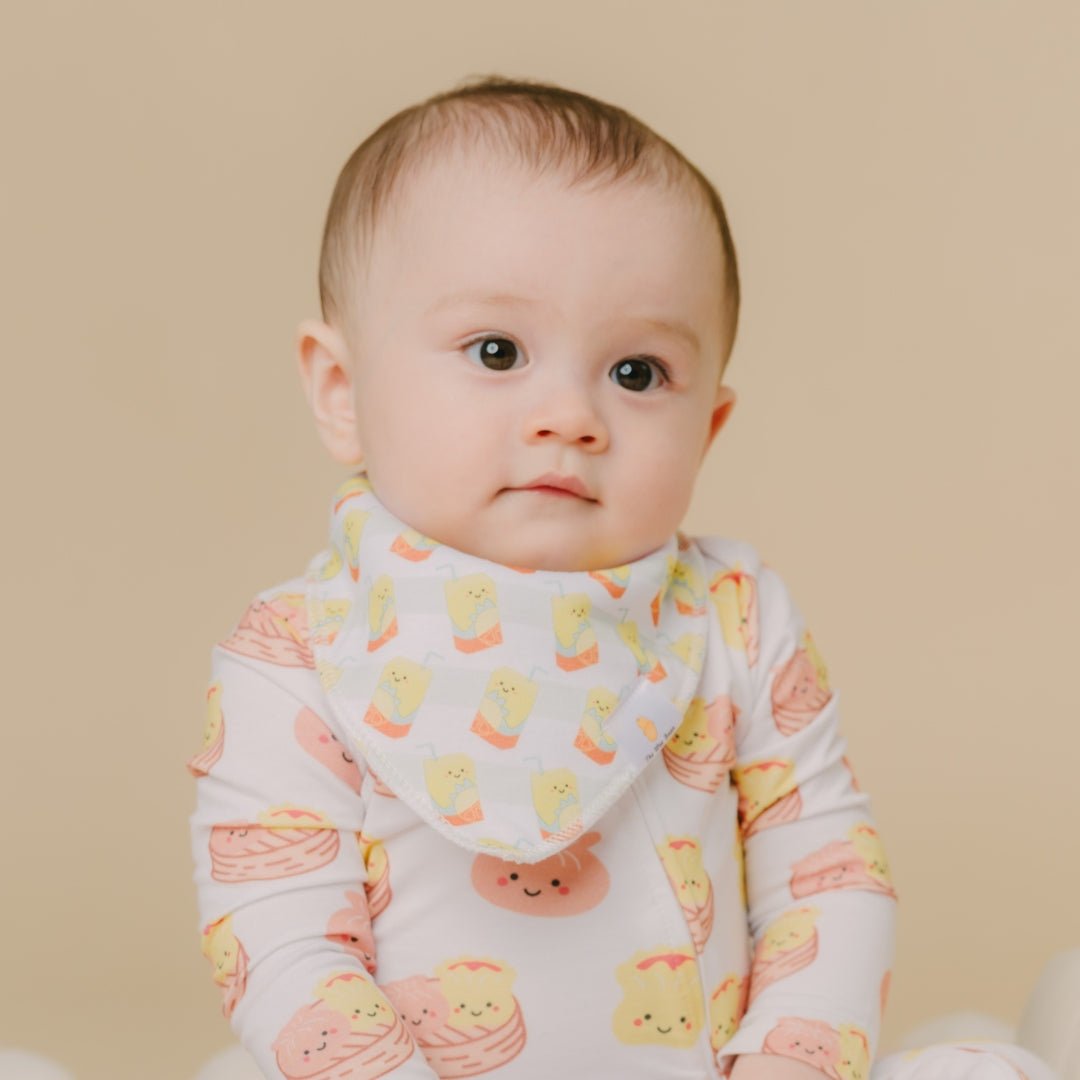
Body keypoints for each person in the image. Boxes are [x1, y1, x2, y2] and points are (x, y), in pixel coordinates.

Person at [188, 75, 1056, 1080]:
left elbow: (829, 875)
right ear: (343, 392)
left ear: (709, 428)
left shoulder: (736, 621)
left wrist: (789, 1060)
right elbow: (280, 941)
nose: (572, 414)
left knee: (992, 1071)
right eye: (498, 350)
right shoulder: (297, 655)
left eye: (637, 373)